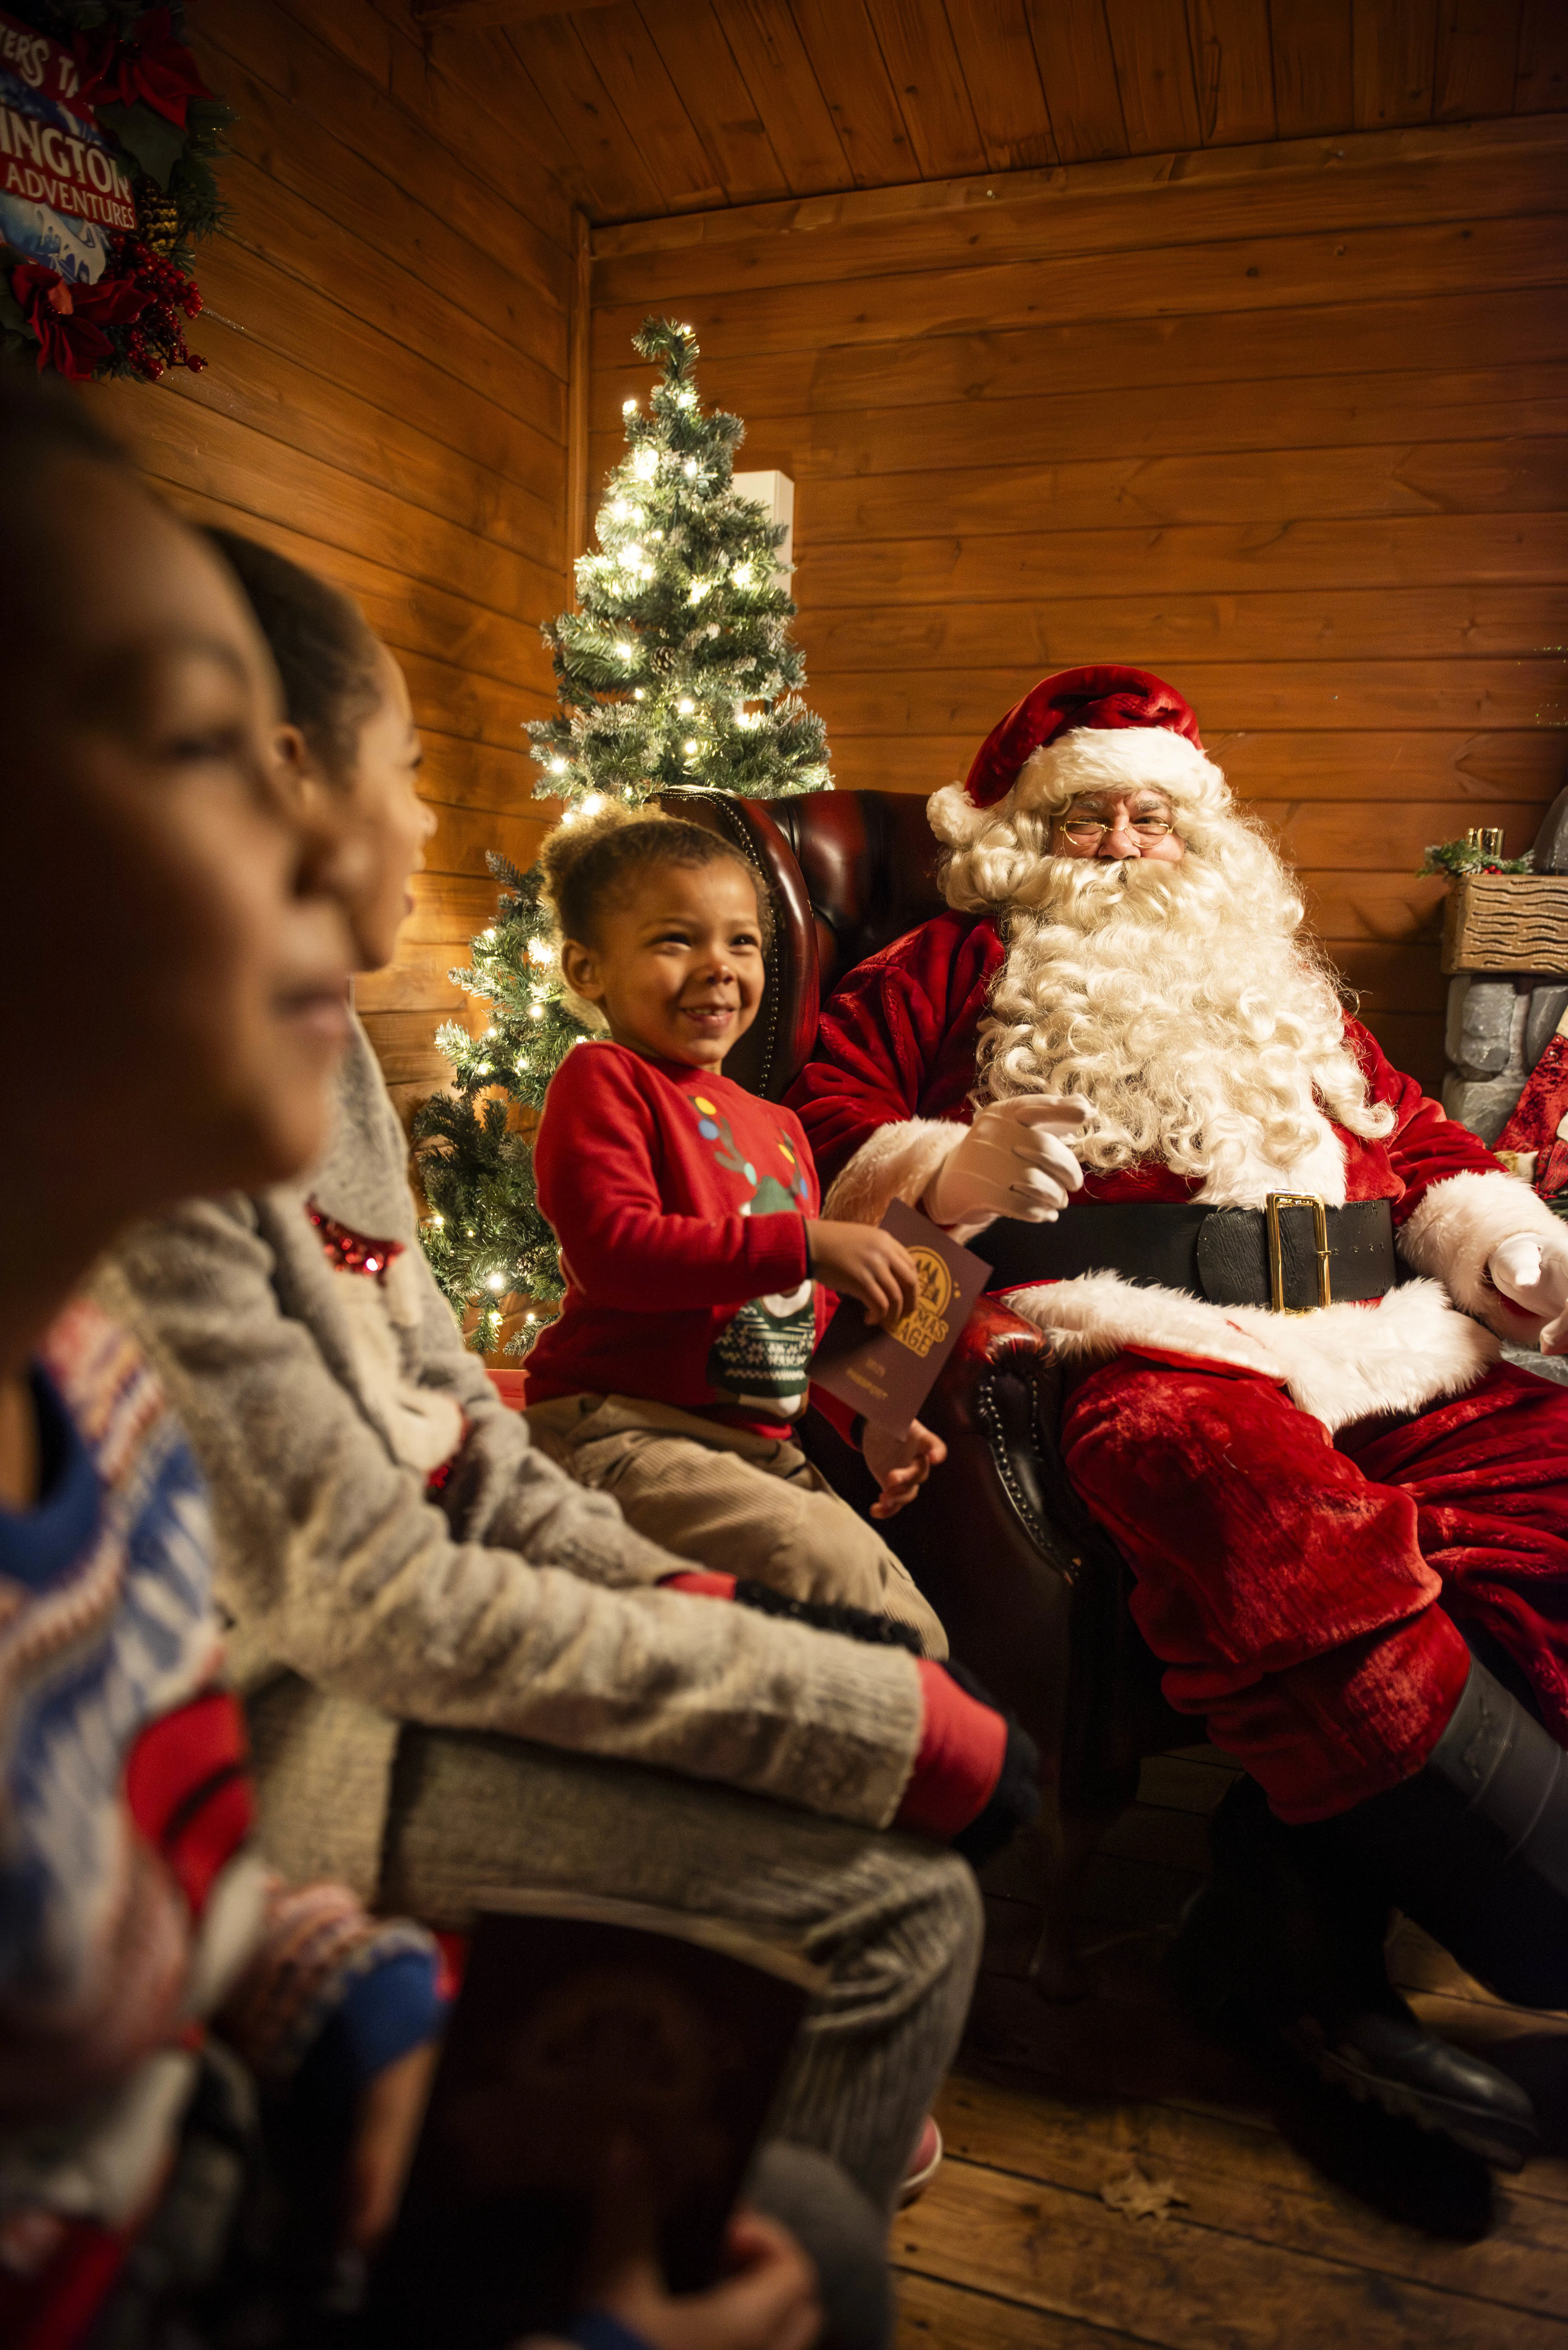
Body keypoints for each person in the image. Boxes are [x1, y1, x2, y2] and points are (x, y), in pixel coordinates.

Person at [95, 533, 1033, 2241]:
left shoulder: (342, 1073)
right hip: (312, 1722)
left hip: (541, 1558)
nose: (422, 816)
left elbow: (460, 1428)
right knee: (893, 1909)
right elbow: (365, 1579)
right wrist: (822, 1699)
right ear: (300, 782)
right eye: (417, 769)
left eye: (745, 944)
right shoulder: (155, 1126)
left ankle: (733, 2214)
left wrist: (708, 1599)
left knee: (859, 1734)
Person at [787, 662, 1568, 2173]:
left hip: (1377, 1336)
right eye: (1093, 817)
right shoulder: (946, 970)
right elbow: (827, 1135)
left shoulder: (1273, 982)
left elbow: (1412, 1140)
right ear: (1025, 834)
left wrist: (1494, 1235)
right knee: (1257, 1506)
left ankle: (1283, 1918)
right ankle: (1540, 1925)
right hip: (1128, 1343)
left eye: (1157, 815)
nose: (1132, 842)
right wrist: (948, 1169)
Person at [0, 376, 453, 2345]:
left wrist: (338, 1987)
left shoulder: (88, 1382)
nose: (334, 854)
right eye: (200, 745)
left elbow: (179, 1866)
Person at [520, 806, 948, 1654]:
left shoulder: (779, 1129)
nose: (719, 967)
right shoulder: (607, 1080)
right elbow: (615, 1252)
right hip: (622, 1430)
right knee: (840, 1588)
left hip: (753, 1449)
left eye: (743, 943)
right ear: (588, 968)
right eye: (677, 940)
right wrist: (811, 1246)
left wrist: (877, 1414)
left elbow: (787, 1319)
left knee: (909, 1624)